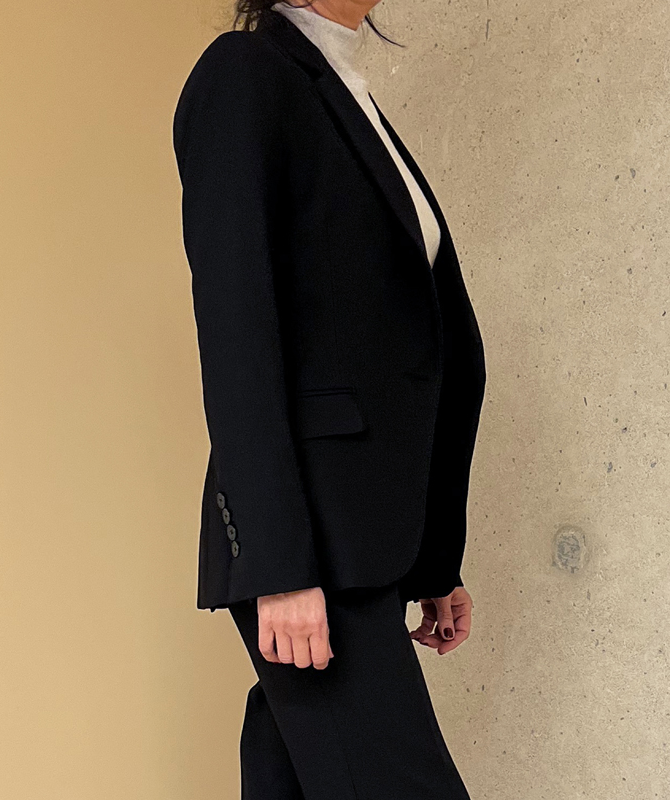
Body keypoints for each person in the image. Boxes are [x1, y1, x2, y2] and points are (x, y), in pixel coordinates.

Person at [172, 1, 486, 796]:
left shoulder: (346, 91)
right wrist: (277, 567)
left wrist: (434, 559)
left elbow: (403, 343)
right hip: (313, 545)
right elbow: (237, 332)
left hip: (370, 541)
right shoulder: (244, 75)